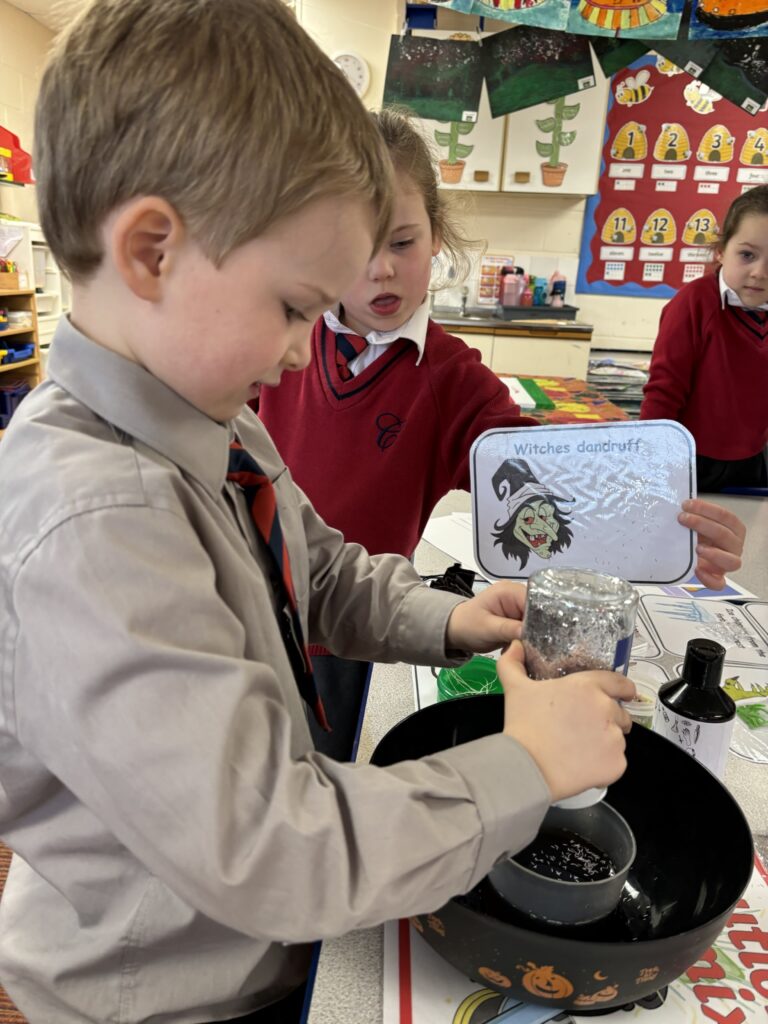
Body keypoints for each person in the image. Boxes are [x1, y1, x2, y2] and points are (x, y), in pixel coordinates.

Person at [0, 3, 641, 1022]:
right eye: (297, 305)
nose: (305, 350)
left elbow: (319, 567)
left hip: (253, 942)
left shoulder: (216, 419)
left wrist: (451, 617)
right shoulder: (90, 519)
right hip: (162, 997)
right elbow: (270, 844)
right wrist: (525, 765)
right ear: (153, 252)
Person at [260, 108, 747, 759]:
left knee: (319, 773)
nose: (379, 269)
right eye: (354, 247)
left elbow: (546, 493)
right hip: (245, 612)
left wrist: (660, 521)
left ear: (438, 238)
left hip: (351, 636)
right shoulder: (272, 345)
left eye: (402, 242)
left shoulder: (454, 382)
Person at [641, 185, 768, 493]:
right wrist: (649, 466)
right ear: (721, 250)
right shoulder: (695, 302)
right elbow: (664, 391)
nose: (760, 272)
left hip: (751, 463)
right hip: (688, 461)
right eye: (747, 255)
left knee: (745, 540)